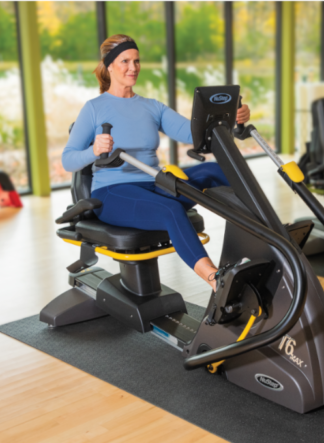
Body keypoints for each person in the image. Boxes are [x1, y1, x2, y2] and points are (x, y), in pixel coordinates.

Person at [62, 34, 251, 292]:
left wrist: (233, 121)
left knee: (214, 170)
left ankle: (265, 238)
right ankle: (217, 281)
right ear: (109, 66)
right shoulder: (94, 108)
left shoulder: (152, 107)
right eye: (125, 61)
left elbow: (194, 134)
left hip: (154, 184)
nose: (133, 67)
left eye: (137, 61)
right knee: (169, 210)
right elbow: (68, 159)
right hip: (113, 194)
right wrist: (93, 150)